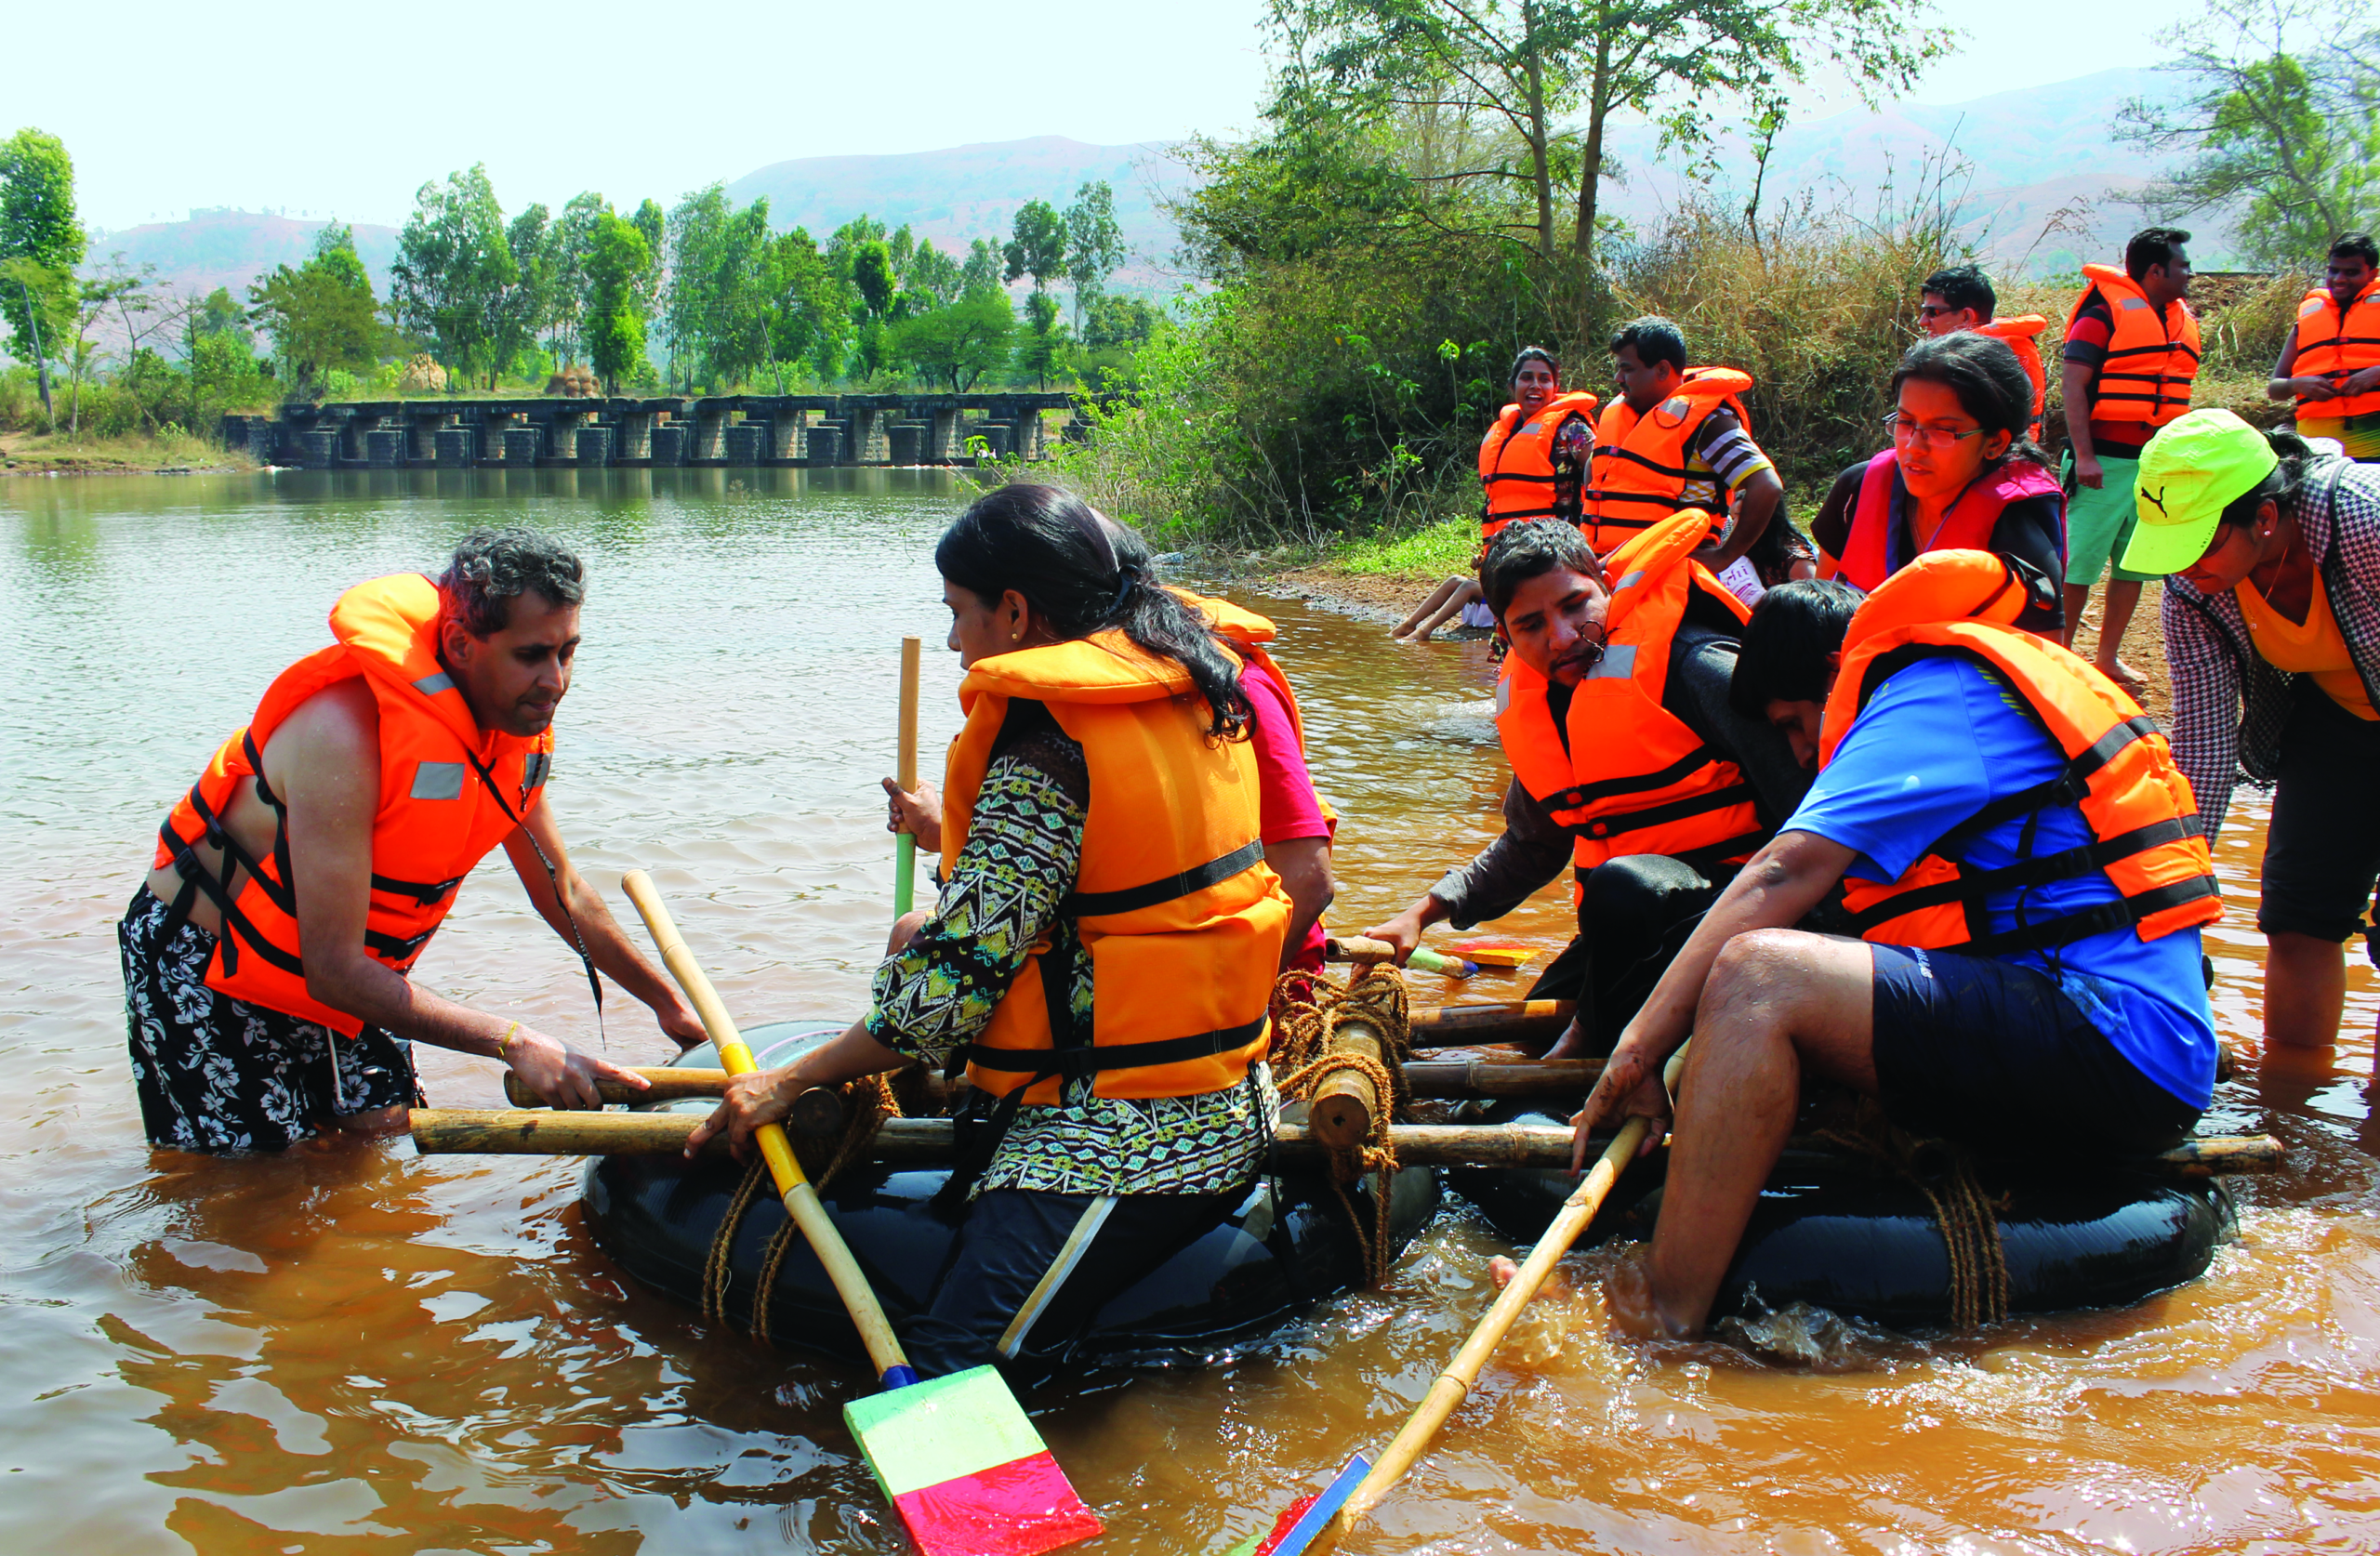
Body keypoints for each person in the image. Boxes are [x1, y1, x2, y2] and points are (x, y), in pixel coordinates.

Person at [694, 482, 1292, 1385]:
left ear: (1014, 611)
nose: (951, 642)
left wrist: (789, 1082)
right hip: (1228, 1094)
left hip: (1125, 1140)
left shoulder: (1047, 745)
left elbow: (946, 994)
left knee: (951, 1365)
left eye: (958, 614)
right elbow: (1099, 882)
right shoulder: (1192, 682)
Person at [1573, 551, 2222, 1338]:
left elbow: (1783, 870)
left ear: (1831, 673)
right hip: (2075, 1022)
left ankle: (1660, 1315)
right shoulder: (1966, 679)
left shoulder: (1929, 691)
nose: (1805, 755)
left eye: (1793, 727)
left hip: (2117, 1044)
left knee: (1760, 973)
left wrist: (1639, 1047)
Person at [125, 528, 704, 1154]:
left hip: (343, 972)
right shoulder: (344, 738)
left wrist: (667, 1006)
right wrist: (515, 1041)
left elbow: (561, 890)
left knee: (378, 1146)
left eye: (568, 652)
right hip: (211, 965)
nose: (556, 680)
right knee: (262, 1179)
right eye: (532, 655)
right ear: (459, 643)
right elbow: (334, 970)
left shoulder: (506, 735)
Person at [1361, 511, 1812, 1056]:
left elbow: (1815, 805)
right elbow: (1531, 845)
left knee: (1626, 888)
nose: (1562, 637)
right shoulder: (1543, 705)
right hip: (1627, 933)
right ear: (1504, 634)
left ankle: (1596, 1041)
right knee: (1522, 1059)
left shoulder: (1691, 665)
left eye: (1576, 606)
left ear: (1604, 584)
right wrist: (1423, 912)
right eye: (1531, 625)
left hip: (1749, 919)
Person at [2122, 408, 2380, 1048]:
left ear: (2264, 518)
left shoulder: (2364, 521)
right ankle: (2294, 1105)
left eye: (2198, 545)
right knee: (2298, 918)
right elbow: (2205, 752)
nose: (2182, 569)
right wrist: (2177, 890)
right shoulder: (2193, 591)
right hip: (2339, 719)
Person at [1814, 333, 2067, 634]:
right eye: (1906, 422)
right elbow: (1815, 605)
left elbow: (2041, 667)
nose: (1914, 447)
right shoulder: (1857, 488)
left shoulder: (2016, 536)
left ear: (1995, 443)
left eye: (1944, 430)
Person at [2060, 226, 2201, 694]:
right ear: (2156, 270)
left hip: (2152, 464)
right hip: (2102, 461)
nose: (2189, 272)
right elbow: (2073, 386)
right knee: (2077, 566)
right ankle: (2059, 654)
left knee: (2133, 565)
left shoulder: (2178, 319)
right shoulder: (2101, 314)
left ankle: (2107, 657)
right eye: (2182, 264)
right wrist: (2084, 456)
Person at [1398, 347, 1598, 641]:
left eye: (1544, 379)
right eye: (1526, 378)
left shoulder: (1572, 429)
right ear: (1512, 386)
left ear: (1556, 388)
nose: (1535, 385)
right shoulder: (1502, 433)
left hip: (1553, 553)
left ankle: (1420, 633)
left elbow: (1602, 472)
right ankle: (1409, 628)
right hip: (1507, 552)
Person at [1580, 317, 1783, 568]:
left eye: (1627, 369)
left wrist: (1725, 556)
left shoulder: (1709, 422)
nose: (1617, 377)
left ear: (1663, 370)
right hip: (1613, 571)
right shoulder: (1622, 417)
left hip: (1675, 579)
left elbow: (1767, 485)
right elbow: (1594, 478)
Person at [2268, 232, 2380, 462]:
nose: (2339, 279)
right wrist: (2298, 383)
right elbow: (2275, 388)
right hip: (2317, 451)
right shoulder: (2306, 321)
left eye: (2352, 272)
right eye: (2334, 270)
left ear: (2373, 274)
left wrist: (2376, 373)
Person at [1919, 262, 2049, 440]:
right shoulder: (1971, 353)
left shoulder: (1996, 358)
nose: (1923, 321)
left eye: (1932, 312)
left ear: (1966, 316)